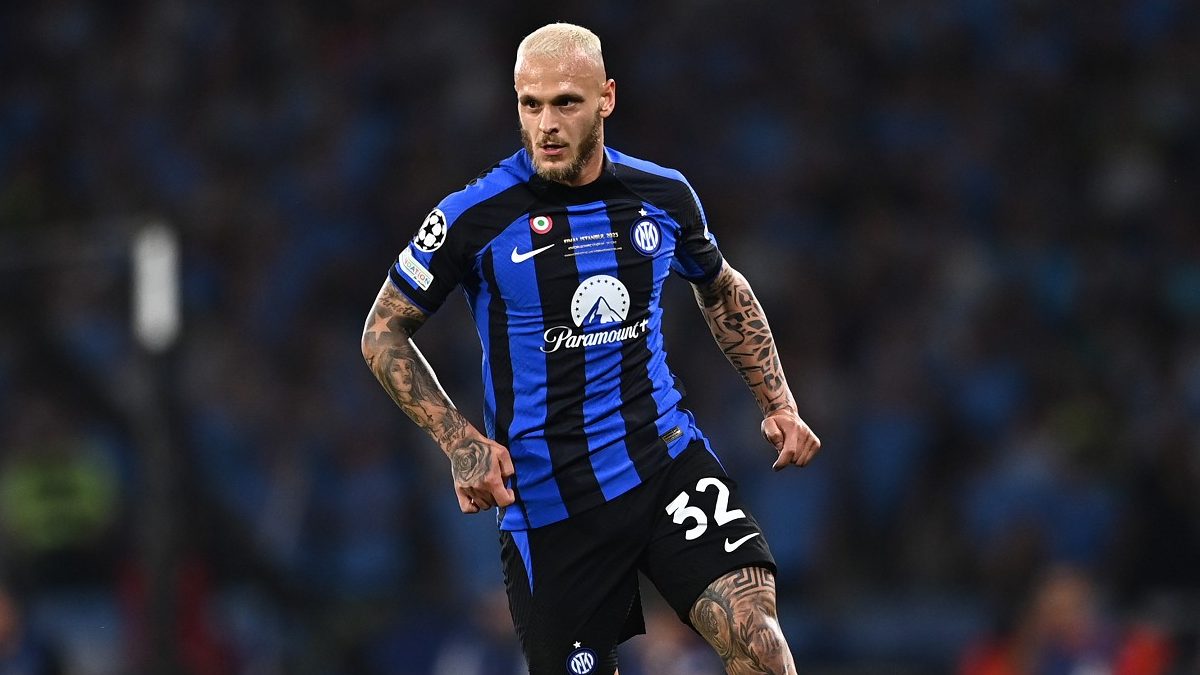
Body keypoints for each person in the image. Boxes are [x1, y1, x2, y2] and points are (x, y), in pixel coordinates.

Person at [361, 22, 821, 675]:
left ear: (606, 98)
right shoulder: (475, 216)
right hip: (552, 503)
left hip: (663, 463)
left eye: (566, 103)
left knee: (759, 640)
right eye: (530, 104)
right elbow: (383, 329)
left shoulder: (662, 194)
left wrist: (778, 402)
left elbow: (720, 287)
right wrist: (459, 441)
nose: (546, 124)